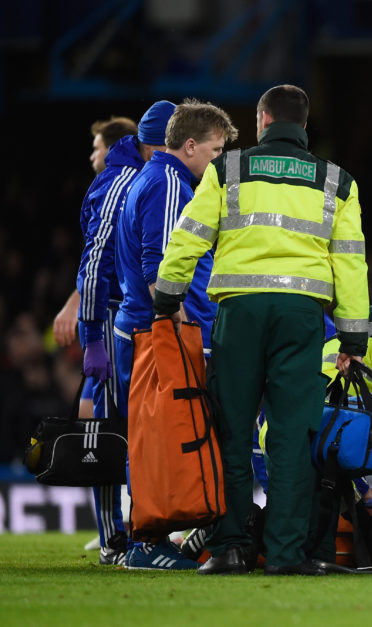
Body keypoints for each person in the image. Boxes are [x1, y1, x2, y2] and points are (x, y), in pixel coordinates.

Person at [154, 85, 368, 576]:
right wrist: (353, 338)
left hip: (240, 315)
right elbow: (351, 264)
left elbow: (190, 236)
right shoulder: (337, 181)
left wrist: (167, 297)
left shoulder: (227, 169)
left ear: (262, 120)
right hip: (301, 319)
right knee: (291, 437)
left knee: (231, 430)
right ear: (304, 126)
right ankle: (287, 555)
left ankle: (230, 548)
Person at [116, 99, 237, 570]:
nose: (216, 162)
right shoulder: (169, 184)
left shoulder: (157, 178)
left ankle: (163, 535)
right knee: (159, 443)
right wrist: (182, 330)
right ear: (189, 146)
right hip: (161, 334)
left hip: (150, 331)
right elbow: (160, 269)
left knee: (160, 440)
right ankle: (146, 540)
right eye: (214, 151)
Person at [68, 104, 166, 566]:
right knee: (111, 429)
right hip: (112, 319)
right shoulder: (121, 181)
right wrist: (90, 337)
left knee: (139, 428)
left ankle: (140, 527)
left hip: (130, 317)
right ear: (155, 146)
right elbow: (92, 267)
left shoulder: (143, 176)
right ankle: (113, 537)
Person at [53, 116, 139, 352]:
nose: (92, 157)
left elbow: (100, 262)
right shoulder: (137, 184)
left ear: (111, 149)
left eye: (96, 149)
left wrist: (87, 327)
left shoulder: (113, 191)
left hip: (115, 313)